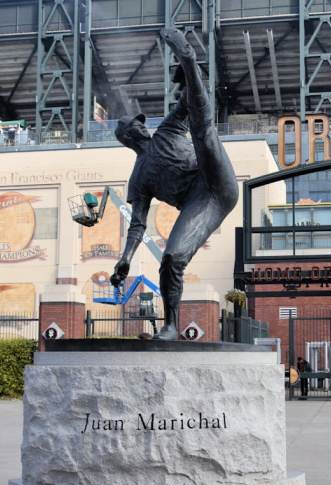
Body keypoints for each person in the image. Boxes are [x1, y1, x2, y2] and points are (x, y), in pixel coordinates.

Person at [110, 28, 238, 340]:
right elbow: (137, 224)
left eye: (140, 124)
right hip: (202, 202)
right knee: (171, 258)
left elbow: (194, 100)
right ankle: (170, 327)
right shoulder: (139, 179)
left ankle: (189, 56)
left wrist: (187, 67)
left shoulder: (167, 129)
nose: (141, 127)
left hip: (215, 179)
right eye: (135, 126)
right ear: (128, 138)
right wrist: (125, 258)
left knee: (203, 130)